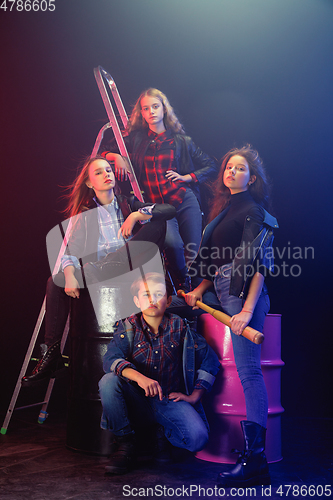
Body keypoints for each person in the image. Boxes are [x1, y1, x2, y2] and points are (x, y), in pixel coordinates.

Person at [22, 156, 176, 387]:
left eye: (109, 170)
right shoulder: (85, 213)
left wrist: (136, 215)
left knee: (158, 222)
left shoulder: (128, 203)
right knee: (55, 282)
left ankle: (107, 265)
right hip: (101, 271)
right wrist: (72, 275)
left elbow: (169, 209)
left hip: (129, 267)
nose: (107, 174)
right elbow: (71, 251)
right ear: (89, 183)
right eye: (99, 172)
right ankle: (51, 354)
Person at [183, 145, 278, 487]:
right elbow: (214, 263)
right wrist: (198, 292)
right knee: (175, 311)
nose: (232, 171)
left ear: (252, 178)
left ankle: (256, 464)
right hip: (219, 292)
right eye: (229, 167)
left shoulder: (254, 211)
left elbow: (259, 266)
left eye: (240, 169)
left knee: (250, 372)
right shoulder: (222, 212)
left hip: (242, 295)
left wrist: (248, 310)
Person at [98, 272, 220, 475]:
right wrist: (140, 378)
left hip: (168, 402)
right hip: (136, 400)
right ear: (137, 301)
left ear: (169, 300)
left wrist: (195, 395)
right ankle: (126, 443)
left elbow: (210, 359)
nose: (152, 299)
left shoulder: (179, 326)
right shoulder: (128, 327)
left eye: (159, 294)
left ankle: (162, 434)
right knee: (108, 382)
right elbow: (110, 360)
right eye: (146, 294)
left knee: (199, 438)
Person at [101, 88, 218, 290]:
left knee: (194, 251)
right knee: (173, 245)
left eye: (155, 106)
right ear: (142, 113)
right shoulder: (136, 140)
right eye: (146, 109)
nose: (152, 112)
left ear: (164, 109)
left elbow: (211, 166)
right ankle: (183, 287)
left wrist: (187, 177)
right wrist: (116, 157)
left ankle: (197, 302)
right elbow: (104, 151)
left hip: (184, 199)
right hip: (159, 207)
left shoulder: (181, 141)